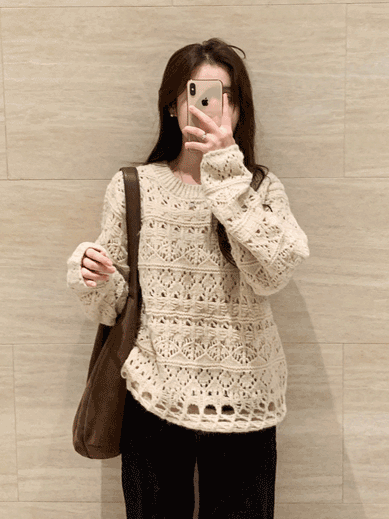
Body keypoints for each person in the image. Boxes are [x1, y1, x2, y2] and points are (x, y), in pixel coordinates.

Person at [67, 37, 309, 519]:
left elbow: (276, 272)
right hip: (153, 394)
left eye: (226, 98)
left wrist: (229, 176)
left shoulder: (260, 187)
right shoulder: (134, 185)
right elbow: (113, 304)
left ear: (239, 110)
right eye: (198, 95)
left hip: (245, 398)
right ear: (172, 106)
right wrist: (93, 274)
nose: (213, 110)